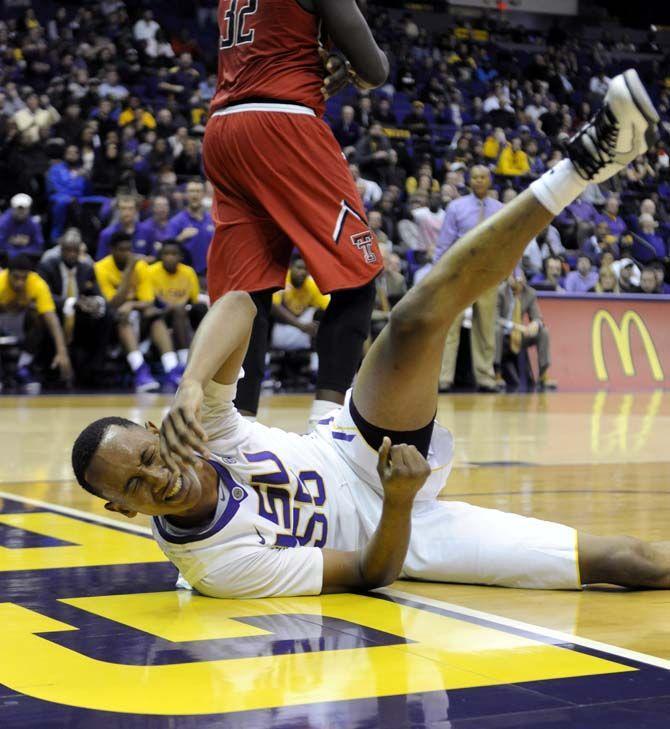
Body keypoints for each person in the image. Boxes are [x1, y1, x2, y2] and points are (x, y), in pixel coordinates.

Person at [72, 72, 670, 598]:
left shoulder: (199, 433)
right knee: (628, 561)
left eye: (148, 458)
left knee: (414, 319)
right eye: (135, 487)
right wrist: (402, 501)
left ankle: (582, 163)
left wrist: (191, 383)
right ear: (122, 509)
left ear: (157, 434)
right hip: (398, 533)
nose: (157, 478)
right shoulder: (215, 564)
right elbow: (368, 571)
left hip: (352, 450)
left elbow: (239, 306)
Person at [203, 0, 389, 431]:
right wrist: (363, 64)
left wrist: (331, 64)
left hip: (225, 129)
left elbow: (281, 43)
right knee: (359, 275)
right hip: (283, 124)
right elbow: (375, 70)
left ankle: (231, 427)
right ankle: (328, 429)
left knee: (246, 292)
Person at [434, 165, 503, 392]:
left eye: (483, 177)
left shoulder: (501, 209)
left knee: (485, 326)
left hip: (488, 273)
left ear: (489, 180)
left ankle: (485, 377)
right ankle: (444, 377)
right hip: (460, 272)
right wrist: (437, 272)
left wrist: (517, 273)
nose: (479, 181)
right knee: (450, 326)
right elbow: (444, 243)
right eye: (475, 177)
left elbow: (509, 243)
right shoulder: (456, 207)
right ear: (469, 181)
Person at [94, 232, 180, 392]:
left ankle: (172, 369)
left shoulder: (141, 266)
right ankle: (140, 371)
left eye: (129, 249)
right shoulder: (100, 268)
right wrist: (128, 271)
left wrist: (131, 304)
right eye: (121, 250)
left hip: (137, 316)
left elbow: (148, 301)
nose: (126, 253)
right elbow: (114, 304)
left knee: (154, 317)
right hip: (111, 326)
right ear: (112, 250)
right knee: (123, 315)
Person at [37, 234, 111, 385]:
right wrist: (72, 302)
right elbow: (45, 296)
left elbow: (98, 295)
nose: (71, 254)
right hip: (57, 314)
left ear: (80, 251)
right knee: (47, 317)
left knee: (107, 316)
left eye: (75, 250)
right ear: (61, 251)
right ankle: (47, 369)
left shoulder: (87, 268)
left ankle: (97, 369)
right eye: (67, 250)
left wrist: (95, 303)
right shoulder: (47, 267)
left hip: (80, 318)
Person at [0, 255, 72, 393]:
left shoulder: (38, 283)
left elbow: (51, 318)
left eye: (24, 278)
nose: (20, 283)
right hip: (2, 321)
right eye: (16, 277)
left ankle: (23, 366)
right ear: (8, 273)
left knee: (39, 316)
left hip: (22, 323)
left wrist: (62, 352)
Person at [147, 240, 206, 368]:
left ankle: (207, 352)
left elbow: (194, 299)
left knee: (201, 308)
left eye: (174, 254)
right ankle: (184, 360)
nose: (170, 257)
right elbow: (151, 300)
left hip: (183, 311)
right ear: (161, 255)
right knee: (178, 311)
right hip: (161, 313)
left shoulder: (188, 272)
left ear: (181, 256)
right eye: (166, 253)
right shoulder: (150, 271)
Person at [496, 269, 555, 391]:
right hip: (504, 333)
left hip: (520, 334)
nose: (519, 283)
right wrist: (515, 326)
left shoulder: (529, 293)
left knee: (543, 332)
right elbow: (495, 318)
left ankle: (543, 374)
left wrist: (535, 323)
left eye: (521, 280)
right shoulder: (500, 291)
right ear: (509, 279)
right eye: (516, 280)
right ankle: (496, 373)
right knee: (496, 330)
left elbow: (538, 317)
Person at [165, 180, 214, 278]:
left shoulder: (212, 219)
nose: (194, 195)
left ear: (203, 194)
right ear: (186, 194)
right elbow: (166, 249)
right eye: (191, 191)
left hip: (210, 275)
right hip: (184, 275)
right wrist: (180, 238)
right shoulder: (176, 221)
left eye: (198, 191)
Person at [0, 193, 45, 262]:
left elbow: (38, 244)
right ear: (12, 208)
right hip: (5, 259)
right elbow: (1, 243)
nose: (21, 212)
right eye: (18, 209)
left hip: (28, 259)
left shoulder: (33, 223)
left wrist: (23, 253)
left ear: (29, 209)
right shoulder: (3, 222)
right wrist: (14, 253)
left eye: (24, 209)